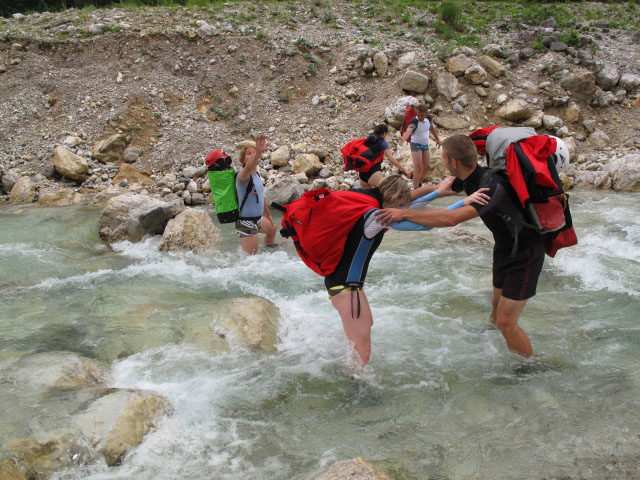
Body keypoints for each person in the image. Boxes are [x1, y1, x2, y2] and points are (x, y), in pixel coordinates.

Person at [375, 133, 568, 357]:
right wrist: (390, 201)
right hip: (505, 249)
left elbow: (451, 218)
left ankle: (530, 368)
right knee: (496, 309)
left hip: (524, 255)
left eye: (443, 158)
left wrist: (403, 213)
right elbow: (436, 189)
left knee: (507, 322)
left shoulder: (491, 186)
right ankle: (491, 342)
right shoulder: (468, 177)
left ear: (452, 162)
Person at [325, 175, 489, 368]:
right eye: (403, 203)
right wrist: (463, 203)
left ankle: (346, 367)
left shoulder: (369, 208)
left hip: (344, 285)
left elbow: (410, 209)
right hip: (346, 288)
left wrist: (438, 193)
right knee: (363, 350)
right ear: (397, 200)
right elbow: (422, 223)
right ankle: (355, 389)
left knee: (364, 327)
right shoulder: (376, 216)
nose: (403, 209)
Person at [235, 135, 277, 255]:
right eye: (248, 153)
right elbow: (249, 166)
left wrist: (268, 214)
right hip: (245, 222)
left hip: (257, 219)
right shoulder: (242, 176)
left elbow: (260, 196)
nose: (252, 155)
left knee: (272, 229)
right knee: (251, 259)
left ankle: (269, 252)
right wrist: (258, 152)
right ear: (243, 159)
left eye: (254, 152)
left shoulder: (256, 175)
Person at [399, 104, 441, 189]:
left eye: (422, 115)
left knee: (427, 166)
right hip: (415, 144)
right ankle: (415, 188)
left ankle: (420, 184)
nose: (420, 117)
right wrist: (403, 139)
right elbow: (408, 132)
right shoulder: (414, 121)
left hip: (425, 144)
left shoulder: (429, 118)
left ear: (425, 113)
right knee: (418, 167)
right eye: (418, 115)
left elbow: (431, 128)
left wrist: (437, 139)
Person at [358, 124, 412, 189]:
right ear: (384, 133)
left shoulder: (368, 138)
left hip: (362, 174)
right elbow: (391, 159)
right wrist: (404, 170)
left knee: (368, 197)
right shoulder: (382, 142)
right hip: (373, 174)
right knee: (385, 192)